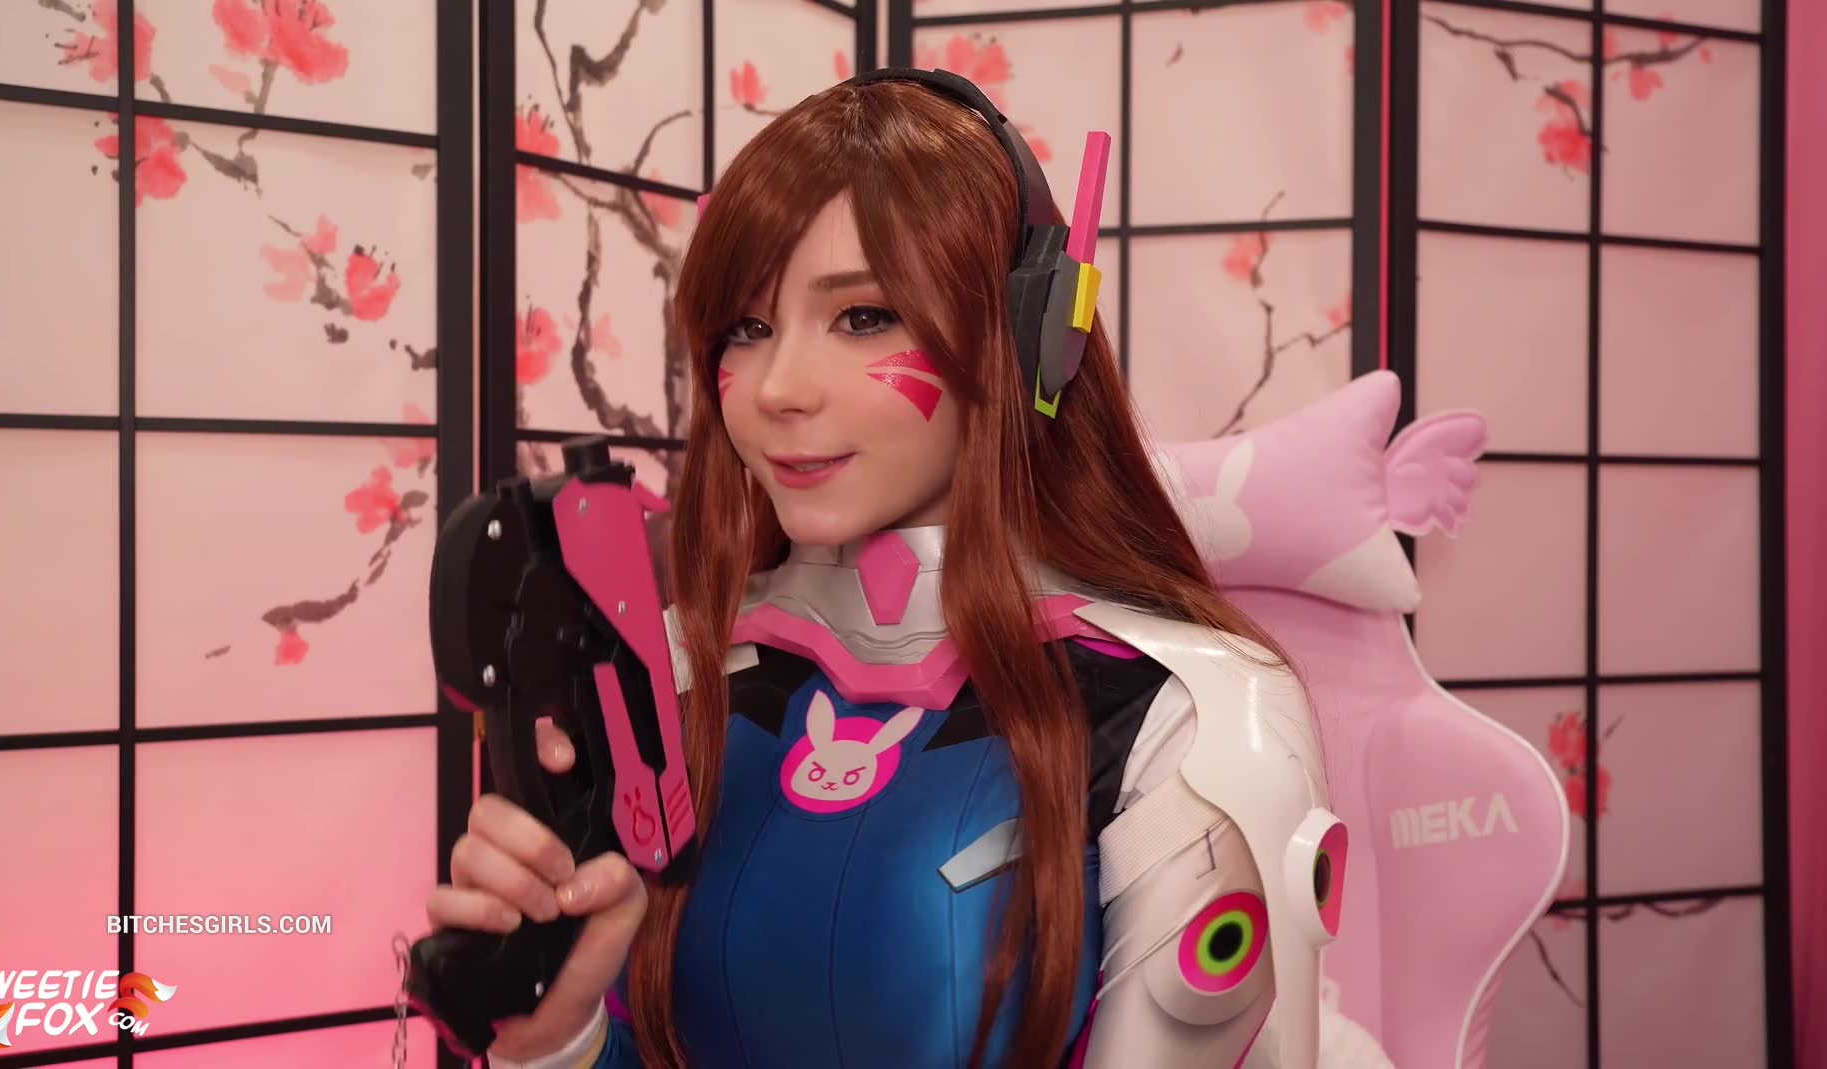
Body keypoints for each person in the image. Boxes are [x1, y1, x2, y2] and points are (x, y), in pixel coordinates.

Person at [423, 67, 1341, 1069]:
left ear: (1032, 335)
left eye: (864, 316)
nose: (779, 388)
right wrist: (555, 1037)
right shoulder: (676, 673)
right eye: (748, 327)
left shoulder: (1193, 720)